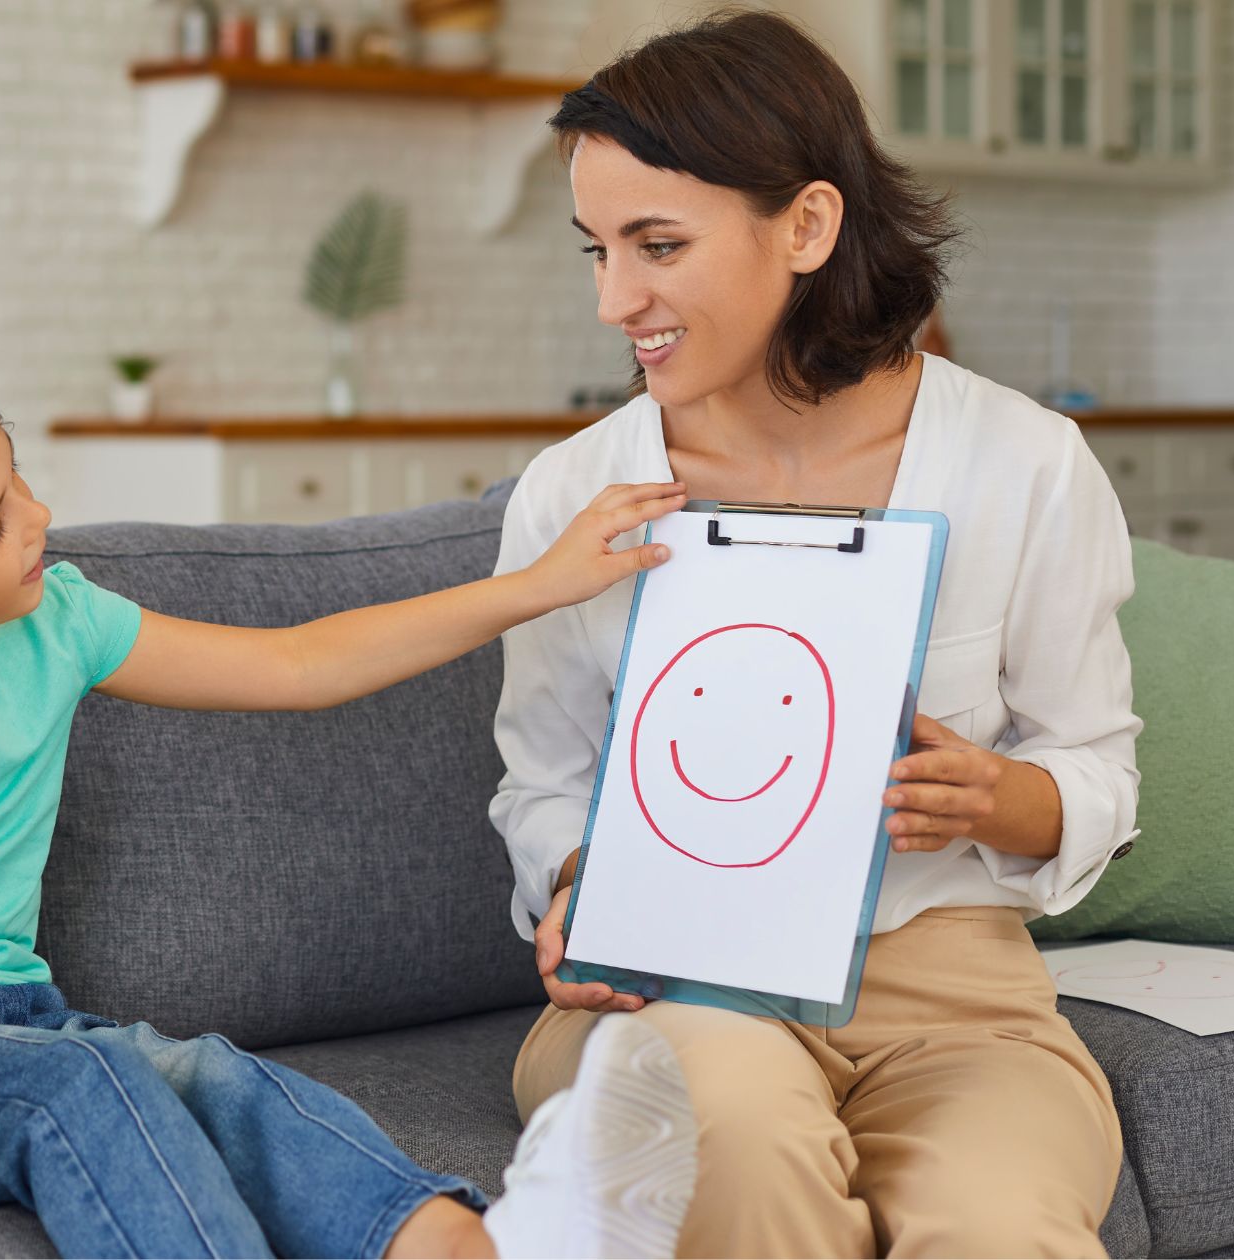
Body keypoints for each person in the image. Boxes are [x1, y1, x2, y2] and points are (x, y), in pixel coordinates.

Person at [0, 332, 689, 1258]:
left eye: (19, 480)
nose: (39, 518)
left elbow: (298, 666)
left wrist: (538, 584)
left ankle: (458, 1244)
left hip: (22, 1028)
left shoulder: (57, 622)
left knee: (213, 1078)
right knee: (85, 1086)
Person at [488, 10, 1140, 1257]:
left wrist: (995, 796)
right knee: (737, 1144)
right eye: (596, 250)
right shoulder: (573, 497)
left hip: (956, 999)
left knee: (997, 1226)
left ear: (806, 224)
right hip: (671, 983)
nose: (613, 299)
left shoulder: (1022, 462)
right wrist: (579, 882)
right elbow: (544, 787)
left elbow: (1096, 767)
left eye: (657, 244)